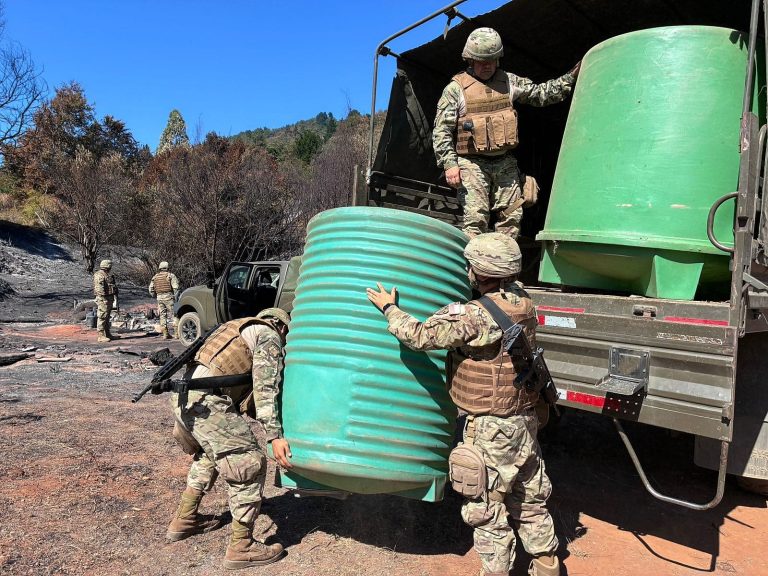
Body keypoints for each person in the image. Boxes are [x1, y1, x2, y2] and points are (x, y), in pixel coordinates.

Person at [366, 233, 560, 576]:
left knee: (486, 507)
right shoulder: (524, 301)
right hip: (524, 421)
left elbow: (420, 336)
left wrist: (389, 308)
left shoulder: (476, 315)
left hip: (491, 427)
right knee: (530, 499)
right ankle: (547, 565)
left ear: (479, 271)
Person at [166, 307, 292, 570]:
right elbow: (265, 387)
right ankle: (242, 546)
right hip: (207, 401)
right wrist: (274, 435)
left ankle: (185, 518)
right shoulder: (269, 334)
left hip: (184, 397)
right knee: (249, 462)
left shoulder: (233, 328)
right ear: (281, 326)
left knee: (210, 455)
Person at [433, 27, 580, 239]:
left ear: (498, 59)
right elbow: (442, 130)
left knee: (511, 218)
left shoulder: (509, 82)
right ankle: (472, 259)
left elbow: (541, 94)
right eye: (481, 61)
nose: (487, 66)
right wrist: (450, 164)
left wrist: (570, 78)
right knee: (475, 219)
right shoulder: (456, 89)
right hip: (472, 163)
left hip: (504, 162)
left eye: (491, 60)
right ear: (470, 60)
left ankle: (504, 260)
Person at [149, 261, 180, 339]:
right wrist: (176, 299)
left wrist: (155, 295)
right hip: (169, 297)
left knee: (162, 316)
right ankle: (177, 334)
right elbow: (176, 288)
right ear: (167, 267)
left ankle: (165, 334)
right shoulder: (171, 275)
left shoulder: (155, 277)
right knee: (175, 314)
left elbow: (151, 289)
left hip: (159, 298)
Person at [93, 259, 118, 343]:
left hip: (109, 298)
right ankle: (101, 336)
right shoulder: (99, 275)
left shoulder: (107, 275)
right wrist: (104, 298)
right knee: (102, 316)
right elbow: (99, 289)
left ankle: (107, 334)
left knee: (107, 317)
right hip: (103, 299)